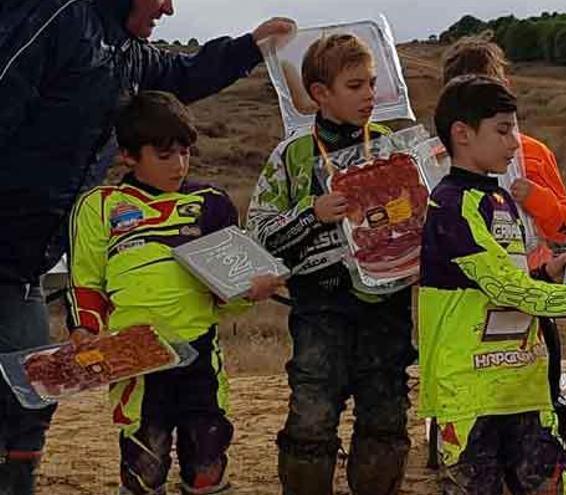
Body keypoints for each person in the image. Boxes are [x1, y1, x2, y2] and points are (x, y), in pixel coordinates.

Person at [0, 1, 293, 490]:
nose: (168, 6)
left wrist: (250, 46)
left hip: (28, 258)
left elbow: (183, 73)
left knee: (35, 390)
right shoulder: (54, 16)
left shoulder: (129, 52)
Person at [420, 74, 566, 494]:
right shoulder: (448, 205)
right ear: (461, 134)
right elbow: (503, 289)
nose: (515, 143)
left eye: (514, 128)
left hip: (526, 387)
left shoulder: (502, 201)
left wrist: (544, 274)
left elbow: (505, 284)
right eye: (502, 130)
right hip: (469, 394)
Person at [66, 91, 282, 495]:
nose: (179, 165)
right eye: (164, 155)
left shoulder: (210, 203)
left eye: (185, 153)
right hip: (135, 358)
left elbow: (229, 287)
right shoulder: (100, 206)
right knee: (144, 465)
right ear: (129, 155)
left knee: (208, 457)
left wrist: (250, 290)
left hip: (199, 351)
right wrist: (83, 330)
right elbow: (85, 283)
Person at [246, 34, 415, 494]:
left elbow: (422, 219)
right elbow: (258, 232)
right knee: (312, 415)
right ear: (320, 94)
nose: (369, 95)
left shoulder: (394, 147)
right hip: (320, 308)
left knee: (386, 416)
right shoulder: (292, 155)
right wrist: (313, 214)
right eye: (355, 85)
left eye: (373, 84)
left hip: (387, 307)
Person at [440, 36, 566, 446]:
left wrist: (536, 199)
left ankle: (551, 446)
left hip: (532, 292)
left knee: (540, 385)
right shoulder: (433, 158)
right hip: (463, 302)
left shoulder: (531, 153)